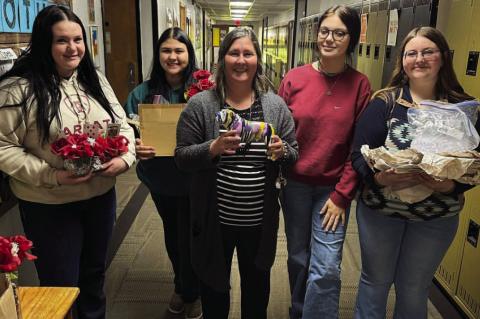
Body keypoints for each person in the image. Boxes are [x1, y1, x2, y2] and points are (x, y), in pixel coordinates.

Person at [0, 5, 135, 319]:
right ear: (45, 44)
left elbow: (123, 124)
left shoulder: (94, 80)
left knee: (94, 278)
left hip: (100, 198)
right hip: (50, 205)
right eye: (62, 40)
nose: (73, 48)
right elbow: (3, 147)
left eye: (78, 39)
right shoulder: (17, 90)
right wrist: (52, 176)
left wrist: (126, 159)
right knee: (61, 286)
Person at [351, 26, 479, 319]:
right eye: (412, 53)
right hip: (381, 213)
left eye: (428, 52)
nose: (419, 59)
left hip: (436, 217)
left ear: (443, 57)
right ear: (403, 61)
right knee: (375, 283)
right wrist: (379, 178)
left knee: (413, 288)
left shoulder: (464, 109)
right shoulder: (385, 103)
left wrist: (451, 187)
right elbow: (357, 154)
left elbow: (475, 165)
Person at [175, 27, 298, 319]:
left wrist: (282, 152)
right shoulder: (201, 105)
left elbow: (294, 152)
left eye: (248, 53)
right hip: (214, 219)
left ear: (257, 59)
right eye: (234, 53)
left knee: (256, 294)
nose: (241, 60)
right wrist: (213, 148)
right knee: (215, 292)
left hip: (259, 220)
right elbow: (181, 157)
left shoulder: (274, 106)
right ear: (222, 59)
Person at [277, 5, 371, 319]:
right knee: (299, 258)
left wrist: (342, 196)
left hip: (333, 190)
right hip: (294, 185)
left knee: (327, 265)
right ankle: (301, 310)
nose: (329, 38)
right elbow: (279, 133)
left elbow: (359, 147)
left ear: (351, 39)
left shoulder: (360, 85)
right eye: (325, 31)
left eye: (339, 33)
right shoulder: (294, 78)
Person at [124, 27, 202, 319]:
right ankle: (183, 287)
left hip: (195, 178)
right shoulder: (142, 93)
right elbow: (127, 132)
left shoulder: (203, 90)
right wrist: (135, 146)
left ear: (188, 55)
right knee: (173, 235)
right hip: (161, 179)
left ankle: (188, 292)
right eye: (166, 51)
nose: (173, 57)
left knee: (191, 236)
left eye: (179, 51)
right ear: (158, 56)